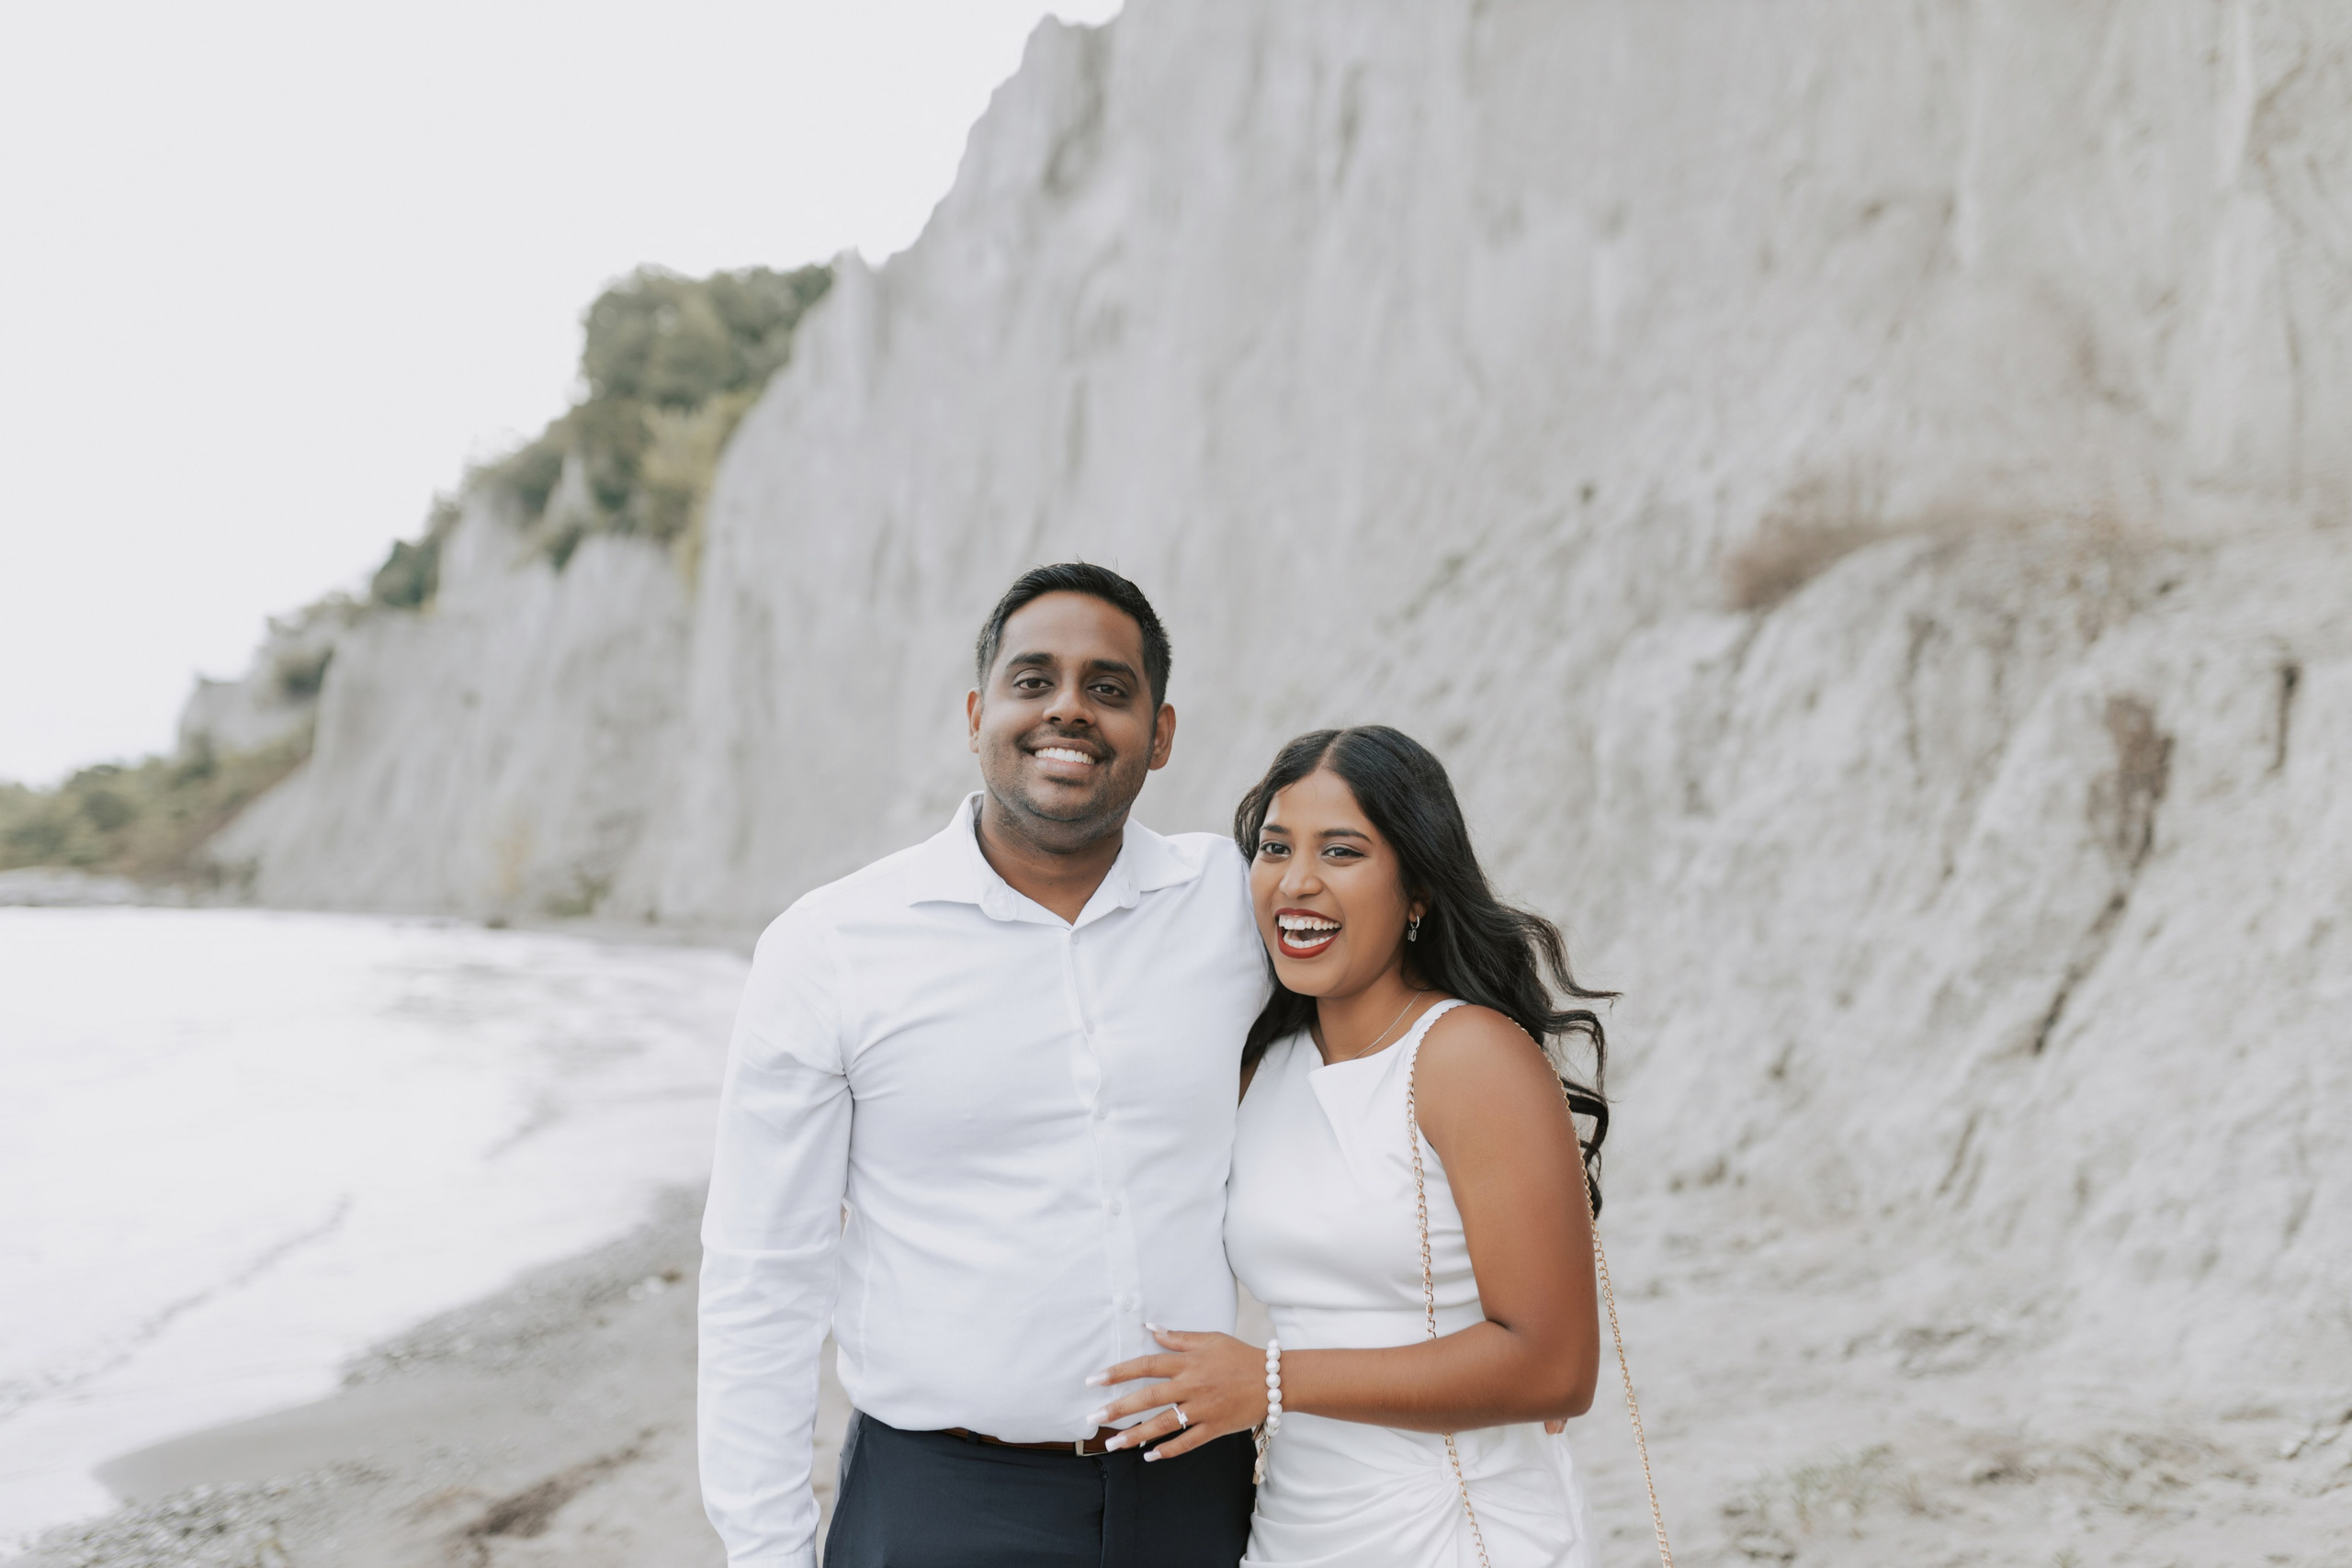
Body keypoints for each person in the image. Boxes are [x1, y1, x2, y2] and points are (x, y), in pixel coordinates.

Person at [697, 562, 1271, 1568]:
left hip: (1196, 1496)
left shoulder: (1232, 904)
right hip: (942, 1506)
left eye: (1109, 688)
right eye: (1033, 679)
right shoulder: (832, 944)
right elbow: (761, 1280)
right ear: (977, 714)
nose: (1068, 711)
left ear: (1162, 733)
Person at [1082, 725, 1610, 1567]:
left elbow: (1554, 1367)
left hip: (1465, 1528)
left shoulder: (1467, 1054)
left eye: (1343, 851)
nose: (1297, 882)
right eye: (1275, 848)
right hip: (1300, 1522)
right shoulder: (1262, 1067)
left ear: (1418, 891)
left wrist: (1272, 1382)